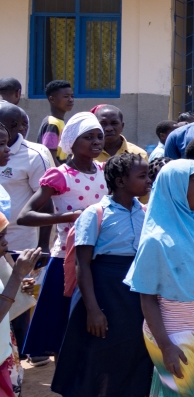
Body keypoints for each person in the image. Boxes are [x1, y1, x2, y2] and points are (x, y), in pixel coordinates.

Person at [51, 152, 153, 397]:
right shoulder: (95, 213)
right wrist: (93, 310)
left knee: (134, 353)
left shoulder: (146, 212)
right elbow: (82, 264)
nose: (149, 180)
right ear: (120, 181)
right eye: (142, 175)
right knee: (98, 355)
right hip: (102, 292)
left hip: (134, 294)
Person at [124, 159, 194, 397]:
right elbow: (147, 299)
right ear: (178, 191)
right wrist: (166, 347)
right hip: (172, 334)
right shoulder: (156, 240)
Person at [17, 111, 109, 359]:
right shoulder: (60, 175)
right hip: (67, 259)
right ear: (71, 142)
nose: (96, 142)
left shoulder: (104, 170)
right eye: (88, 137)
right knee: (63, 327)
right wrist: (67, 217)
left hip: (101, 256)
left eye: (98, 137)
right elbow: (25, 215)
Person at [0, 104, 52, 253]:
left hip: (19, 244)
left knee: (18, 276)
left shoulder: (34, 155)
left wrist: (43, 247)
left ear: (14, 125)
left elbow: (45, 202)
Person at [0, 218, 38, 397]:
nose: (5, 242)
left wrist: (19, 285)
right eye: (0, 237)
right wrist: (17, 275)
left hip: (4, 352)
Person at [37, 79, 73, 161]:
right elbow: (50, 157)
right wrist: (61, 173)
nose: (71, 100)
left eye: (72, 96)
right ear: (52, 99)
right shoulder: (52, 123)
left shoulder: (59, 122)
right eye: (66, 96)